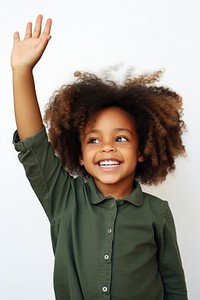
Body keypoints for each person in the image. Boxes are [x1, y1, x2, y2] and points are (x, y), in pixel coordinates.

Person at [11, 15, 188, 300]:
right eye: (94, 140)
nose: (107, 147)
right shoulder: (63, 200)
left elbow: (174, 286)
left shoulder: (158, 212)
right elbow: (34, 146)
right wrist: (21, 72)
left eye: (121, 138)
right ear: (79, 154)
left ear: (142, 150)